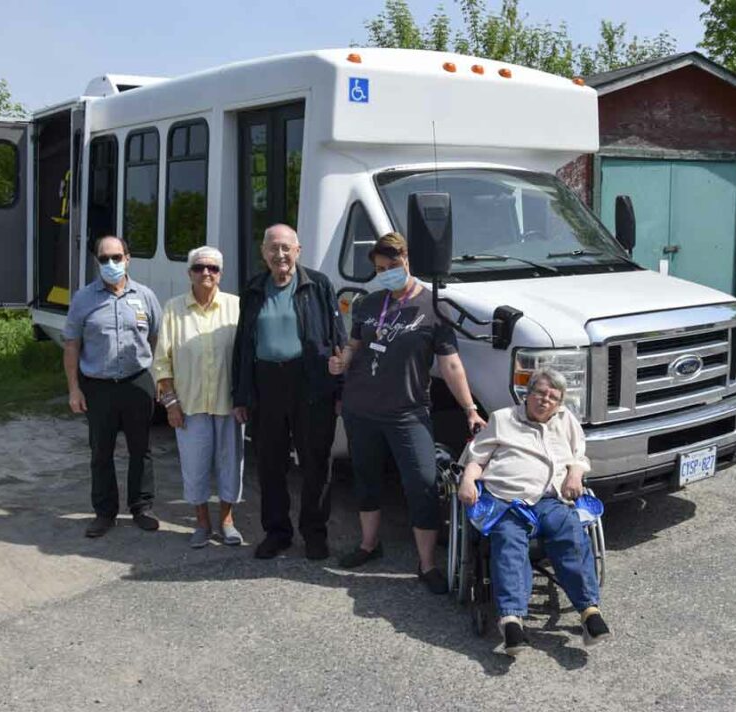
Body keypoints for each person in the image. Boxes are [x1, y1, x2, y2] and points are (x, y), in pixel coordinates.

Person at [329, 232, 485, 594]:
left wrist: (470, 409)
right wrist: (343, 361)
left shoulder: (434, 308)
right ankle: (369, 545)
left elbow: (451, 366)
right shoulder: (369, 303)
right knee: (365, 478)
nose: (386, 274)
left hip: (408, 413)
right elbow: (355, 344)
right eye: (380, 269)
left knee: (422, 485)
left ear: (407, 261)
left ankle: (427, 564)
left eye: (392, 266)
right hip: (361, 409)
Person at [458, 367, 610, 656]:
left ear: (560, 403)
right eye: (539, 393)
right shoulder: (503, 419)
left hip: (550, 499)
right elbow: (476, 458)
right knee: (509, 540)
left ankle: (590, 612)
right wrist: (467, 479)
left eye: (552, 397)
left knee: (571, 532)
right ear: (527, 395)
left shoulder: (566, 422)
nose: (545, 400)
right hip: (508, 501)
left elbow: (578, 456)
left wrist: (575, 474)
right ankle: (512, 620)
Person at [231, 224, 347, 560]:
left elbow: (337, 339)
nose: (279, 255)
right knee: (270, 463)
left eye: (285, 248)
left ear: (298, 250)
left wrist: (339, 390)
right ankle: (277, 531)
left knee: (316, 462)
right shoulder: (253, 289)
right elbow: (243, 346)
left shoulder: (319, 285)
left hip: (311, 381)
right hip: (267, 384)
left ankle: (314, 532)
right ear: (263, 253)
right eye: (272, 248)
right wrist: (242, 395)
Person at [63, 235, 162, 538]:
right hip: (99, 387)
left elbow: (157, 338)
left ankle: (141, 507)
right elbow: (71, 345)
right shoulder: (83, 299)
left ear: (127, 259)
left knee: (141, 449)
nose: (111, 264)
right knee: (101, 452)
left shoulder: (145, 296)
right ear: (97, 261)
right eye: (104, 259)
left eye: (116, 257)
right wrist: (74, 389)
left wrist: (157, 378)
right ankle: (105, 513)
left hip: (137, 383)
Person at [154, 246, 244, 549]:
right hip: (189, 406)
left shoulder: (236, 306)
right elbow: (162, 361)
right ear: (189, 272)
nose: (206, 273)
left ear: (221, 273)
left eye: (213, 268)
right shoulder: (173, 309)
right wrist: (170, 403)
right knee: (194, 466)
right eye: (199, 267)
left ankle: (228, 521)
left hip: (229, 405)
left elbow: (246, 358)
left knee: (231, 464)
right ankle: (202, 523)